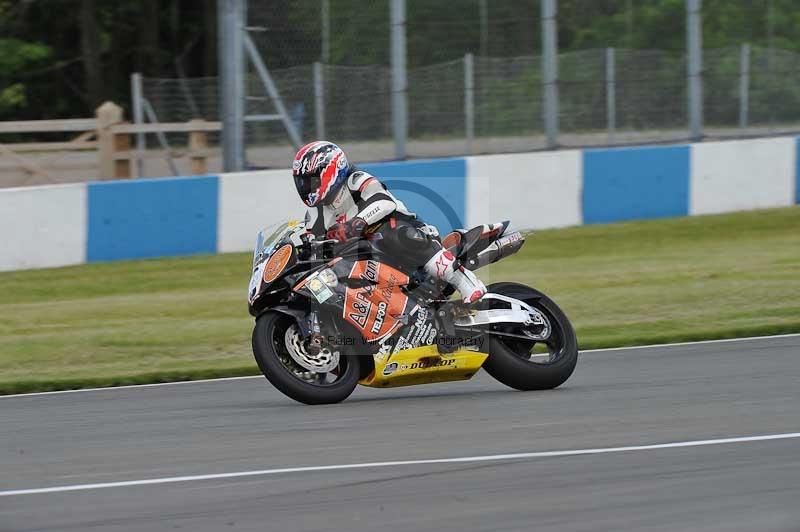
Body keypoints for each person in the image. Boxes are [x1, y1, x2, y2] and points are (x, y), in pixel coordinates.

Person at [292, 140, 486, 303]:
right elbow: (314, 244)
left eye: (310, 180)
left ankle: (465, 281)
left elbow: (383, 201)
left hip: (408, 234)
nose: (305, 187)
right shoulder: (315, 214)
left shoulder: (356, 180)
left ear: (330, 170)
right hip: (365, 258)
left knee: (393, 231)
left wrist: (356, 223)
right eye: (302, 182)